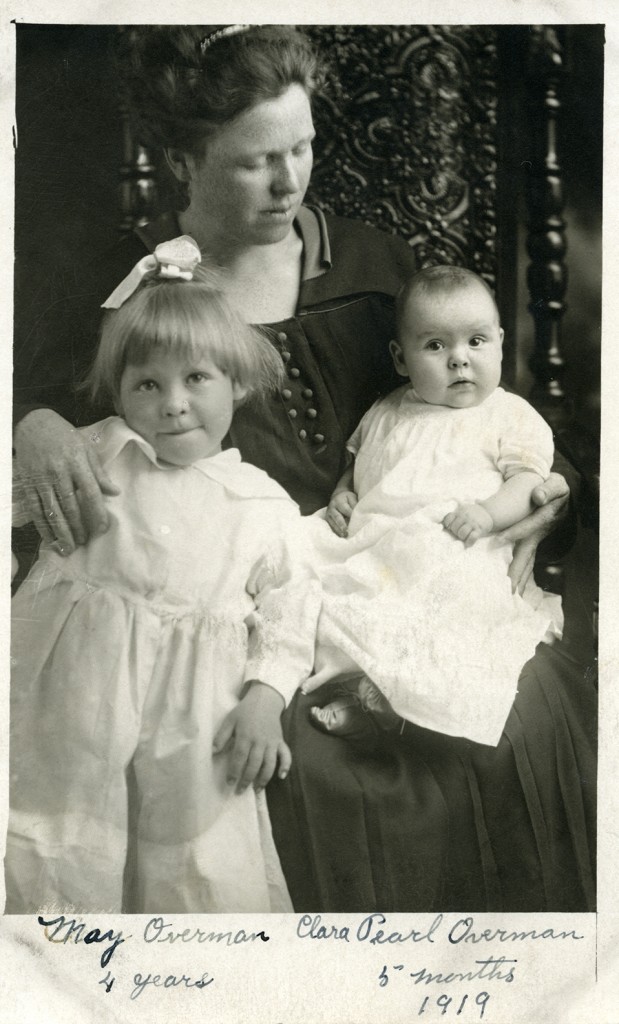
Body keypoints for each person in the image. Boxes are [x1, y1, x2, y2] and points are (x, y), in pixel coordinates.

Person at [12, 25, 594, 913]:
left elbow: (474, 420)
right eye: (255, 162)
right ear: (184, 158)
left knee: (515, 714)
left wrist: (545, 497)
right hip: (244, 607)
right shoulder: (129, 287)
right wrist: (34, 422)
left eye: (303, 148)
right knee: (283, 766)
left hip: (408, 570)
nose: (290, 182)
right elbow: (51, 397)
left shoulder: (375, 265)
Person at [6, 237, 320, 914]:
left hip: (193, 724)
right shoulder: (98, 454)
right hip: (69, 705)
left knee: (195, 874)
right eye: (147, 383)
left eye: (196, 379)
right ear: (117, 392)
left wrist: (265, 699)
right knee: (57, 854)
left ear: (236, 382)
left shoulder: (261, 504)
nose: (173, 404)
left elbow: (293, 611)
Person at [304, 266, 563, 746]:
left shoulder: (506, 413)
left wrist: (487, 513)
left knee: (442, 609)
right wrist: (342, 494)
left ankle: (381, 704)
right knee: (323, 585)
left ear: (501, 342)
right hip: (377, 545)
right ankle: (359, 687)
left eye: (477, 342)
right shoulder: (385, 411)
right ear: (401, 360)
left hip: (455, 541)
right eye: (436, 346)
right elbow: (359, 467)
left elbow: (528, 480)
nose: (460, 360)